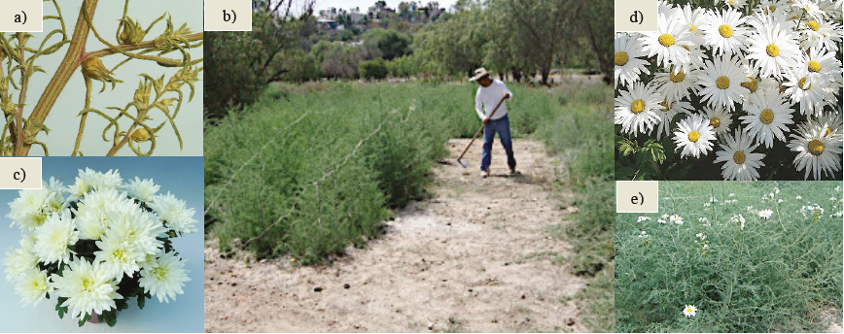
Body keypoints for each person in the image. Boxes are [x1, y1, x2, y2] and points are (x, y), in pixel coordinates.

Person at [469, 67, 516, 178]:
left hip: (502, 119)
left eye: (480, 80)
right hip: (489, 121)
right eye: (478, 80)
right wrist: (483, 117)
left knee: (507, 143)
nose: (479, 82)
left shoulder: (499, 84)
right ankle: (484, 168)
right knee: (486, 144)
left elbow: (510, 94)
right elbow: (478, 107)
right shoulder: (480, 91)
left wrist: (507, 96)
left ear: (486, 78)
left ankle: (511, 165)